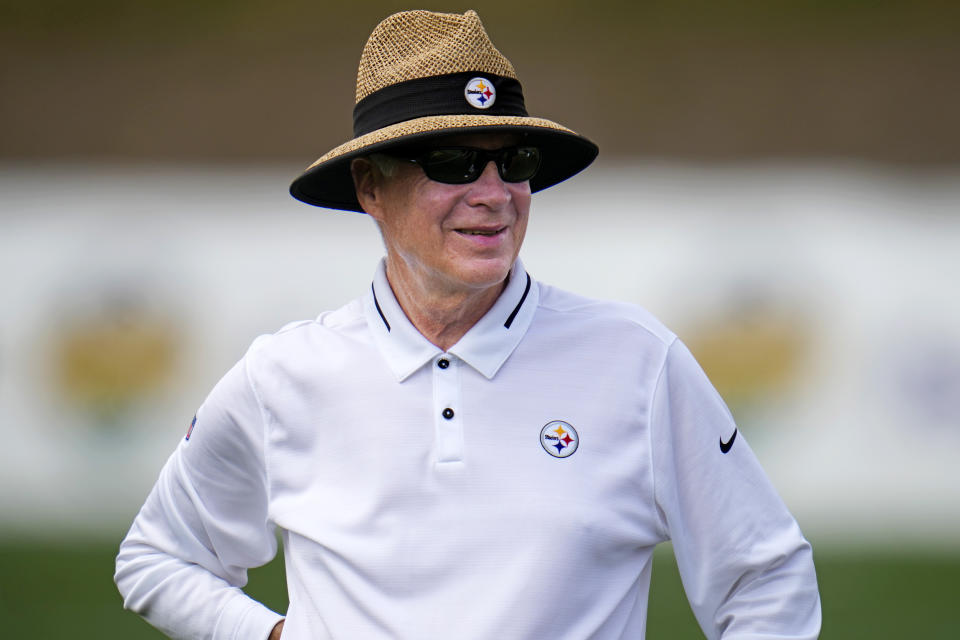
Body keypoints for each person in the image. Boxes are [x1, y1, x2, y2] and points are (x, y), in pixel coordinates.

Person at [115, 9, 821, 640]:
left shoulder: (638, 362)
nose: (494, 195)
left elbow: (765, 581)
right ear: (370, 187)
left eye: (513, 162)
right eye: (453, 163)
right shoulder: (283, 376)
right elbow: (158, 558)